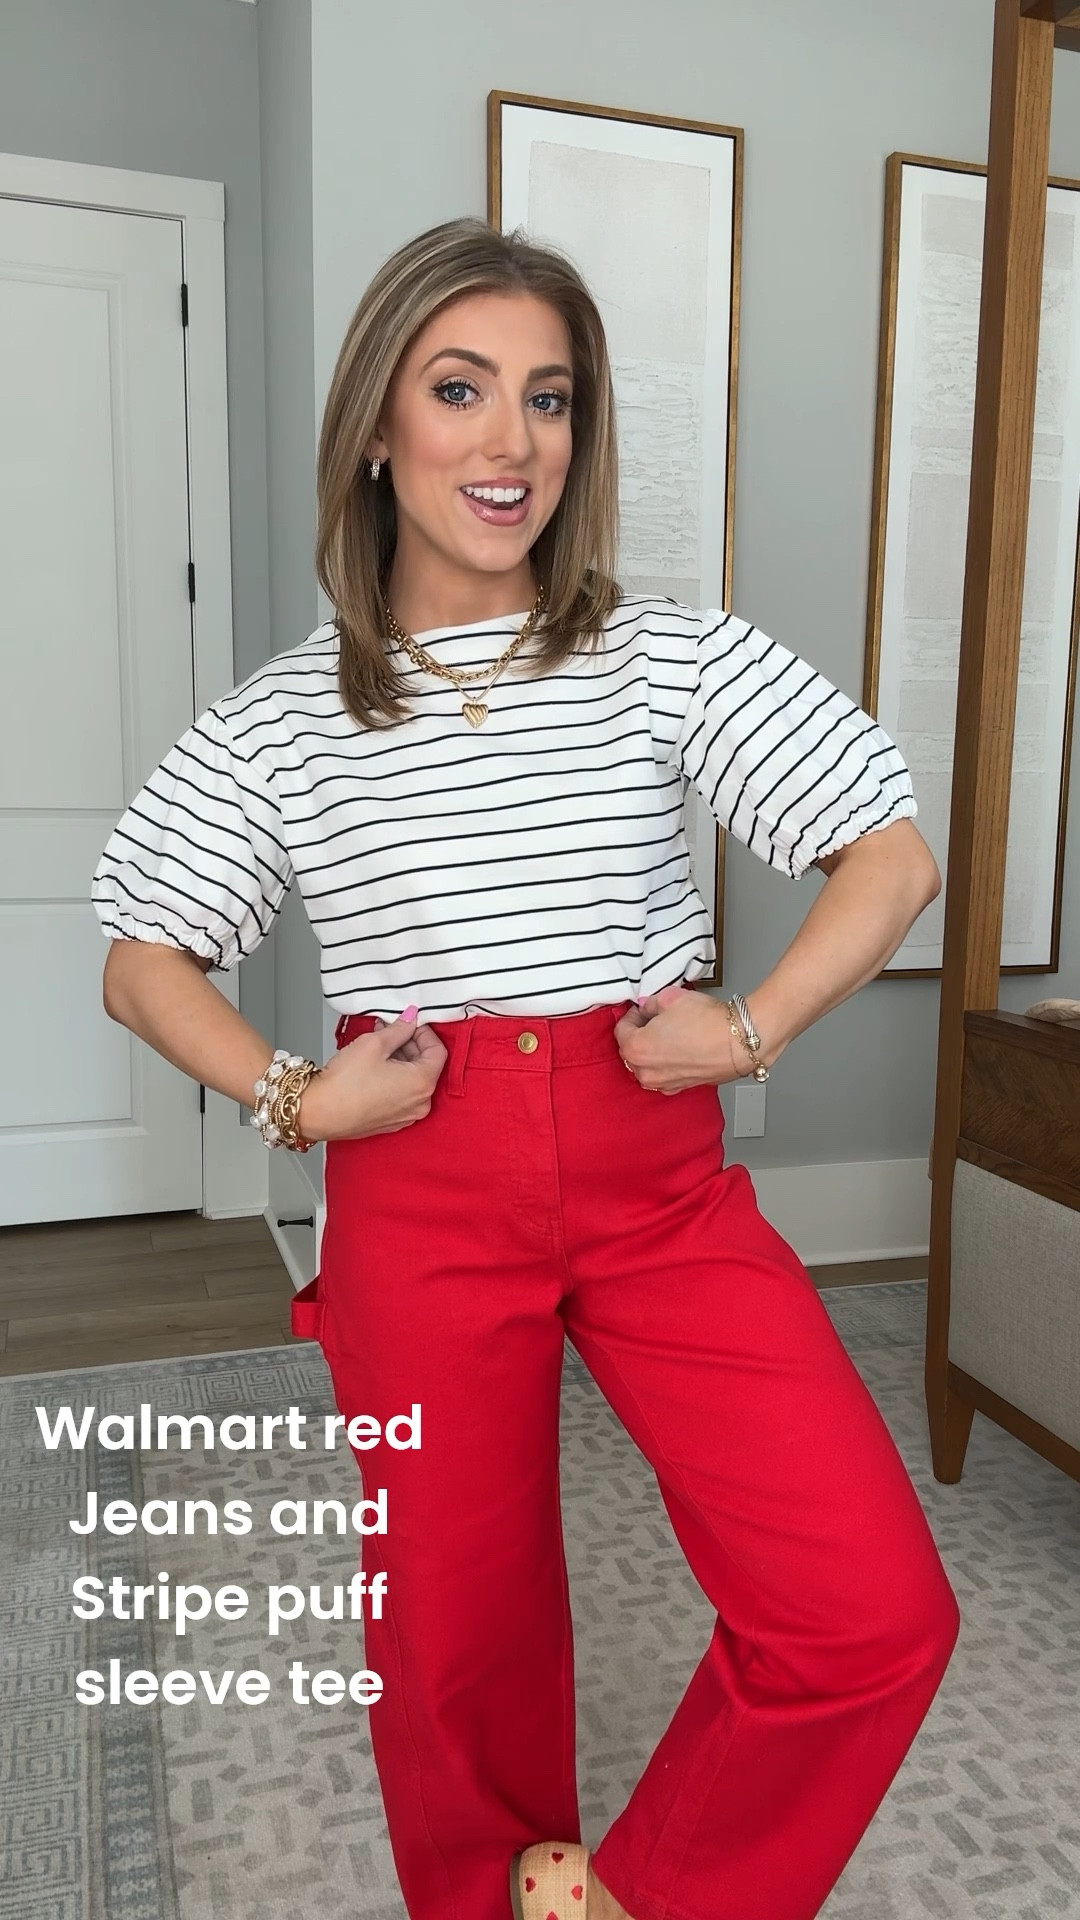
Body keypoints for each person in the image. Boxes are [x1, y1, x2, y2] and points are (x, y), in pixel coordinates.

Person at [91, 215, 959, 1920]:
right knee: (454, 1637)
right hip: (419, 1193)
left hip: (657, 1179)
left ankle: (638, 1898)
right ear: (375, 428)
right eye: (463, 390)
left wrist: (755, 1022)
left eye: (549, 399)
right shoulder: (286, 718)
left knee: (868, 1610)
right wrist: (292, 1098)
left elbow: (890, 854)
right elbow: (140, 952)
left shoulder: (669, 656)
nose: (512, 444)